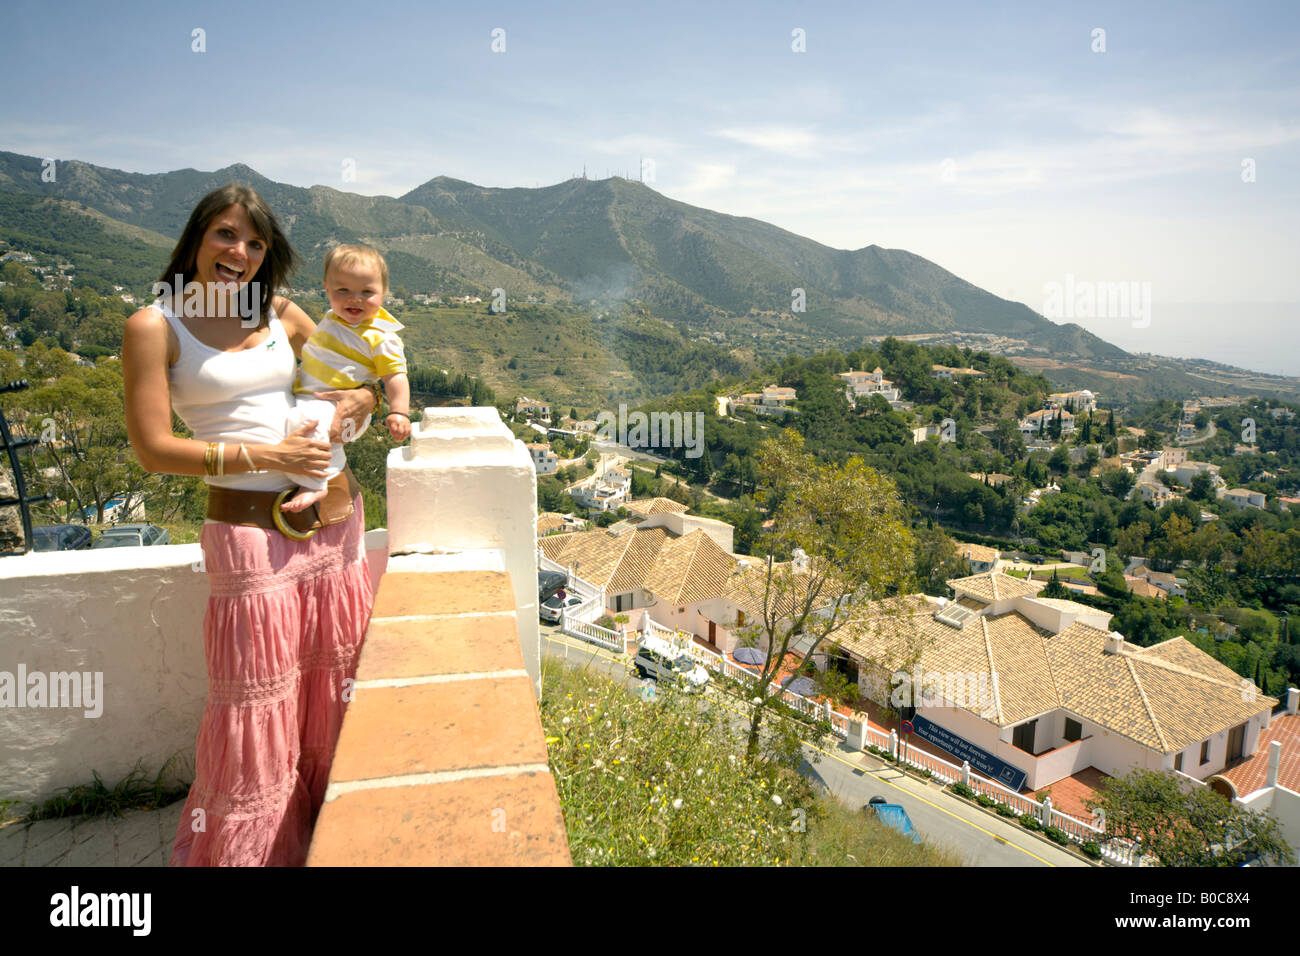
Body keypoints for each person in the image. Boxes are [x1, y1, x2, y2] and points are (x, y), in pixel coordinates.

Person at [122, 183, 378, 866]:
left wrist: (359, 398)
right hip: (247, 534)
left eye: (256, 243)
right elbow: (153, 449)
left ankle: (339, 840)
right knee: (254, 704)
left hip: (336, 518)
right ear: (197, 237)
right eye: (226, 235)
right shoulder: (155, 325)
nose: (240, 252)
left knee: (335, 685)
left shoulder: (281, 312)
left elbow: (359, 379)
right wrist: (270, 455)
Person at [280, 244, 411, 514]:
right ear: (326, 289)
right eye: (343, 291)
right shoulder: (332, 320)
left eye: (367, 292)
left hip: (342, 409)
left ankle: (315, 483)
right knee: (304, 423)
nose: (355, 299)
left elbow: (395, 376)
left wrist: (399, 411)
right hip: (312, 399)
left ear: (383, 294)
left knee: (308, 424)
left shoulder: (381, 336)